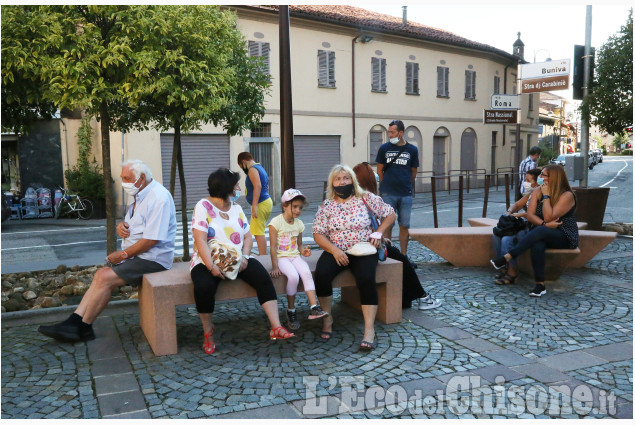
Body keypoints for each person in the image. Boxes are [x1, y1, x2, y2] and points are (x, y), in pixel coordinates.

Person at [38, 160, 177, 342]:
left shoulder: (159, 197)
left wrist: (124, 254)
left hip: (153, 258)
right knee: (100, 276)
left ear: (142, 178)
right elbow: (132, 222)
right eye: (122, 178)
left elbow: (152, 239)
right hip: (140, 255)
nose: (124, 183)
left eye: (127, 178)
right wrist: (121, 226)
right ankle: (78, 324)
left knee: (104, 278)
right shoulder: (139, 193)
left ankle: (81, 326)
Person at [190, 168, 295, 354]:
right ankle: (208, 332)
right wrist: (212, 266)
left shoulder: (237, 208)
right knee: (204, 286)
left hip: (238, 257)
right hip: (207, 259)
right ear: (226, 188)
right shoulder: (202, 206)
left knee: (262, 277)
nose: (239, 188)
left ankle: (276, 326)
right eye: (236, 185)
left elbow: (248, 237)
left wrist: (245, 257)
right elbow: (200, 241)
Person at [313, 164, 396, 351]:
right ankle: (328, 318)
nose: (342, 182)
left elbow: (390, 214)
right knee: (322, 275)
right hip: (336, 249)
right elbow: (318, 233)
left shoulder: (365, 198)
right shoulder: (327, 206)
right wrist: (335, 251)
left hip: (364, 249)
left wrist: (379, 233)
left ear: (352, 180)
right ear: (332, 184)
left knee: (366, 278)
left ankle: (369, 330)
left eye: (346, 178)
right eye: (338, 179)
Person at [352, 162, 442, 310]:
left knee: (398, 256)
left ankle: (408, 298)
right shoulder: (365, 199)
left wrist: (380, 236)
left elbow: (367, 226)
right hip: (363, 249)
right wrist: (378, 236)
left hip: (365, 245)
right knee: (401, 259)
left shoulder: (361, 198)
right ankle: (422, 297)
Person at [491, 164, 579, 297]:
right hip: (542, 232)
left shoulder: (567, 195)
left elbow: (550, 216)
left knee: (540, 231)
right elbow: (530, 215)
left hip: (563, 234)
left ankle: (507, 257)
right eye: (540, 174)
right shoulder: (537, 191)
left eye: (543, 175)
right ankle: (540, 284)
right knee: (538, 243)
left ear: (554, 178)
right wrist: (544, 224)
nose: (540, 177)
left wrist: (547, 196)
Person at [269, 188, 329, 330]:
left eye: (300, 208)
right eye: (294, 206)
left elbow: (299, 244)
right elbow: (272, 247)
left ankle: (314, 307)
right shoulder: (275, 223)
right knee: (293, 277)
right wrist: (275, 266)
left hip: (295, 256)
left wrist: (304, 251)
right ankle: (291, 310)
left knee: (306, 273)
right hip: (282, 258)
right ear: (284, 205)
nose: (298, 210)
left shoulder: (299, 224)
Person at [376, 119, 419, 263]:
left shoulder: (412, 150)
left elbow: (414, 172)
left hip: (406, 194)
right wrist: (386, 186)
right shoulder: (384, 148)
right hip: (388, 194)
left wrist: (405, 183)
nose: (390, 135)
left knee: (404, 225)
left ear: (401, 133)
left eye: (392, 132)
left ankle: (404, 256)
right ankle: (389, 254)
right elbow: (379, 171)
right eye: (389, 132)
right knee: (387, 224)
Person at [491, 167, 542, 285]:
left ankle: (512, 272)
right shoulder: (531, 193)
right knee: (496, 235)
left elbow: (535, 215)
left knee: (506, 240)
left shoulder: (541, 194)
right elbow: (518, 204)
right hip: (522, 223)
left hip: (532, 227)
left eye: (528, 180)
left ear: (537, 181)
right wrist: (509, 211)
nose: (525, 182)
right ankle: (504, 268)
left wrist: (522, 214)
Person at [237, 152, 272, 255]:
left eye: (241, 166)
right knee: (259, 231)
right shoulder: (259, 167)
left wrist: (254, 205)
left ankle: (263, 257)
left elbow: (258, 186)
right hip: (265, 201)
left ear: (243, 162)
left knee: (258, 233)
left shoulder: (252, 169)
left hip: (261, 203)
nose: (243, 169)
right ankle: (263, 255)